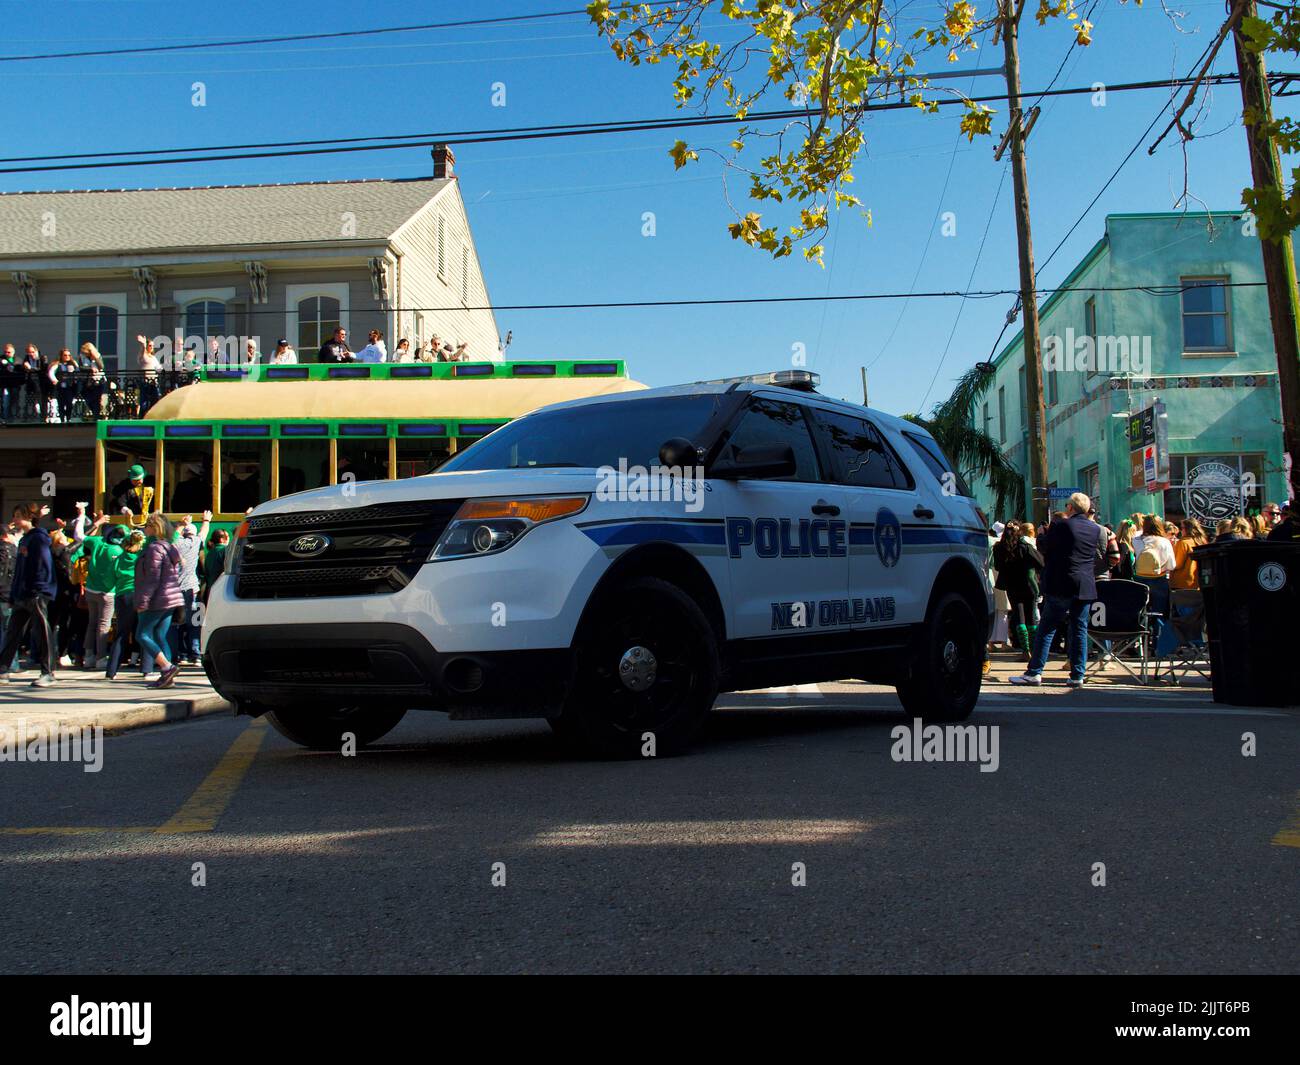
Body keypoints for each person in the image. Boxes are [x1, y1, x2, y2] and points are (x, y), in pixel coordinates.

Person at [1009, 491, 1106, 689]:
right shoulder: (1095, 529)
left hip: (1062, 583)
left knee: (1047, 628)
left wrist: (1044, 534)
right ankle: (1078, 674)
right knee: (1079, 629)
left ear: (1070, 507)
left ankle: (1034, 672)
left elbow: (1045, 548)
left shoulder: (1063, 525)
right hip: (1085, 584)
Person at [0, 502, 58, 687]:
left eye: (18, 516)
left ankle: (48, 672)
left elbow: (44, 566)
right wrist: (13, 595)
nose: (15, 520)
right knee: (13, 632)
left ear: (28, 517)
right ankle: (2, 669)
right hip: (22, 595)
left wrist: (40, 590)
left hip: (36, 594)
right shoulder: (25, 539)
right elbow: (19, 570)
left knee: (42, 632)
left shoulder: (38, 538)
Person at [133, 513, 183, 689]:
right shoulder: (169, 547)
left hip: (157, 599)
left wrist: (142, 601)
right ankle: (168, 676)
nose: (144, 528)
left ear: (154, 528)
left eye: (147, 525)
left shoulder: (154, 548)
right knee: (161, 636)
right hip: (171, 598)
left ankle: (167, 668)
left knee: (142, 634)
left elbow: (152, 578)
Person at [69, 510, 124, 669]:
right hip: (108, 592)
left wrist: (81, 516)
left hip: (91, 590)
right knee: (103, 625)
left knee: (92, 623)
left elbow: (79, 536)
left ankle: (89, 656)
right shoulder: (119, 551)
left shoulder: (98, 542)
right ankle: (101, 658)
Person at [993, 520, 1045, 658]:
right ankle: (1034, 651)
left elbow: (998, 567)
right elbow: (1040, 562)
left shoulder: (999, 548)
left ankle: (1025, 650)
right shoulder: (1024, 546)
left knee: (1019, 617)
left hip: (1012, 585)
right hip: (1028, 585)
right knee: (1031, 618)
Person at [105, 530, 145, 680]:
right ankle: (146, 669)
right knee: (143, 632)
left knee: (121, 634)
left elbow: (110, 579)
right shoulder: (141, 558)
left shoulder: (118, 559)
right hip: (139, 593)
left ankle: (111, 671)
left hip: (122, 596)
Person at [172, 511, 211, 666]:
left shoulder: (177, 544)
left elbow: (174, 536)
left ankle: (181, 654)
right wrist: (206, 520)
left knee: (178, 623)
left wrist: (181, 525)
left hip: (175, 589)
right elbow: (203, 532)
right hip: (192, 589)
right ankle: (195, 654)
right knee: (195, 621)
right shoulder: (195, 542)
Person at [1171, 518, 1207, 590]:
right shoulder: (1201, 542)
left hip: (1182, 583)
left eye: (1182, 528)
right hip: (1197, 582)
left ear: (1187, 529)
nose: (1181, 531)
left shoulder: (1183, 542)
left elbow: (1177, 564)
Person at [201, 528, 229, 604]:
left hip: (211, 590)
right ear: (222, 539)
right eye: (227, 536)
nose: (229, 538)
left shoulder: (209, 554)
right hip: (223, 590)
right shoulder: (226, 550)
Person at [80, 342, 107, 417]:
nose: (86, 354)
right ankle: (95, 413)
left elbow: (101, 366)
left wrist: (95, 357)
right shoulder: (82, 357)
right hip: (88, 381)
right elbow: (81, 368)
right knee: (87, 397)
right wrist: (90, 369)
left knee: (96, 399)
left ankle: (96, 416)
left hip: (98, 380)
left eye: (87, 352)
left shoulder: (97, 355)